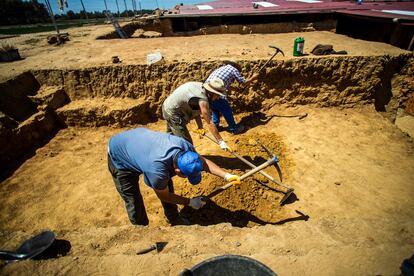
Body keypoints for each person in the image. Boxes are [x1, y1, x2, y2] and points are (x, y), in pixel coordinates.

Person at [107, 127, 240, 226]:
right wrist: (190, 202)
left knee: (166, 185)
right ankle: (141, 231)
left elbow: (203, 162)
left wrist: (227, 175)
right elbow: (163, 195)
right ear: (177, 170)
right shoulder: (157, 170)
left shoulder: (185, 147)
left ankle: (174, 219)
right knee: (133, 199)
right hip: (119, 157)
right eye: (186, 176)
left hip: (140, 144)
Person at [162, 77, 231, 150]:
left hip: (169, 106)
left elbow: (195, 108)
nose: (218, 98)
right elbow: (209, 122)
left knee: (171, 136)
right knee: (187, 144)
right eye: (217, 95)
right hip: (173, 112)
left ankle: (166, 154)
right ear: (211, 93)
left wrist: (200, 127)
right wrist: (221, 141)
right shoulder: (202, 99)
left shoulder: (201, 88)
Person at [205, 61, 259, 134]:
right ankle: (234, 128)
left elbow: (224, 84)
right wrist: (253, 78)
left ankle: (215, 127)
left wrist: (236, 89)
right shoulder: (234, 69)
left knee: (215, 109)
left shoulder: (222, 69)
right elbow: (243, 83)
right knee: (227, 111)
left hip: (207, 91)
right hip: (216, 93)